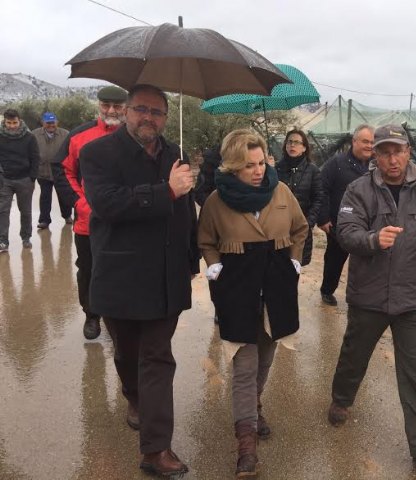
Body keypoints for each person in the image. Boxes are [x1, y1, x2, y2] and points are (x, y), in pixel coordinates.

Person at [327, 125, 416, 480]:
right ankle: (342, 398)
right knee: (354, 354)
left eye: (397, 151)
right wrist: (373, 239)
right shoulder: (358, 190)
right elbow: (346, 232)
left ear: (408, 152)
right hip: (369, 295)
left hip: (412, 297)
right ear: (375, 155)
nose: (391, 159)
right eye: (384, 152)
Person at [80, 84, 198, 476]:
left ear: (166, 118)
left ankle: (155, 449)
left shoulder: (175, 154)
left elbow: (186, 213)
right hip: (121, 276)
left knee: (157, 359)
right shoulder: (98, 153)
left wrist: (191, 258)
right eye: (141, 109)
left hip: (166, 277)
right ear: (127, 111)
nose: (149, 117)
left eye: (157, 112)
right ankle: (133, 397)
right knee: (127, 355)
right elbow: (107, 204)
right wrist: (166, 191)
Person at [198, 129, 307, 478]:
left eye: (261, 163)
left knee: (266, 357)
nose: (259, 171)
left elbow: (301, 228)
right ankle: (246, 446)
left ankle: (255, 406)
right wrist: (214, 265)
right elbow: (205, 239)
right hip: (238, 290)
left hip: (276, 289)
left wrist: (294, 259)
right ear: (232, 166)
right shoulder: (216, 200)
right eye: (249, 165)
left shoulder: (281, 191)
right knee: (244, 366)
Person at [52, 85, 128, 340]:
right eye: (106, 105)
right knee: (88, 269)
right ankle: (92, 315)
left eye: (117, 106)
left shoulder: (136, 136)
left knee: (123, 268)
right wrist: (81, 203)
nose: (111, 111)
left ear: (125, 108)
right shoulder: (79, 135)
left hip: (125, 221)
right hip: (88, 223)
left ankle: (119, 315)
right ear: (98, 105)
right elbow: (62, 170)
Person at [317, 124, 374, 305]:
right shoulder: (337, 163)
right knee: (335, 259)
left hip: (368, 224)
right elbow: (321, 189)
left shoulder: (376, 165)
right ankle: (327, 290)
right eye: (365, 141)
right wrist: (323, 218)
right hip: (339, 224)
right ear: (354, 141)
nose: (369, 146)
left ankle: (363, 295)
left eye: (372, 142)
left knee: (366, 261)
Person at [275, 129, 323, 266]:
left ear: (304, 147)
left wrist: (308, 223)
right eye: (289, 142)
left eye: (297, 142)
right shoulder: (276, 169)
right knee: (277, 266)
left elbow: (318, 198)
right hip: (278, 228)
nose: (292, 145)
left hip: (301, 228)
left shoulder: (313, 171)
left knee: (295, 265)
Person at [0, 108, 39, 252]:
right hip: (4, 180)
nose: (12, 126)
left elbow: (35, 158)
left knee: (26, 211)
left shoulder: (29, 137)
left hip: (25, 179)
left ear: (19, 121)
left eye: (14, 123)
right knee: (2, 211)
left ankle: (26, 237)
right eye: (9, 123)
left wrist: (32, 177)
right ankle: (3, 241)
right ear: (4, 122)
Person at [32, 112, 71, 229]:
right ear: (43, 123)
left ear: (57, 122)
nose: (51, 125)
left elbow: (71, 151)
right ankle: (44, 220)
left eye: (53, 122)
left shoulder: (65, 134)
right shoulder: (34, 134)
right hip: (42, 171)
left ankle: (67, 216)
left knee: (64, 195)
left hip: (61, 172)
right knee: (45, 196)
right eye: (48, 123)